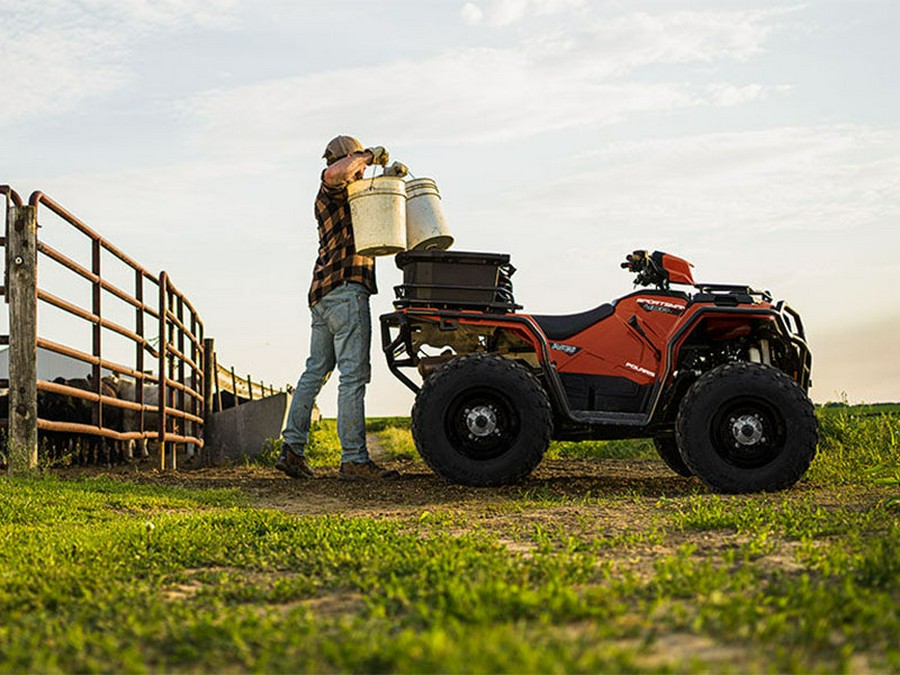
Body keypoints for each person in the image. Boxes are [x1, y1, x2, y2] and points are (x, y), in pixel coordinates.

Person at [276, 135, 406, 481]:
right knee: (353, 376)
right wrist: (368, 155)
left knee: (315, 371)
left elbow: (370, 192)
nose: (360, 170)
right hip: (346, 291)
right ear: (346, 159)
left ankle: (292, 449)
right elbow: (336, 174)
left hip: (323, 295)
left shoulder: (352, 196)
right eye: (356, 163)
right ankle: (354, 460)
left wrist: (390, 174)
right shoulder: (331, 188)